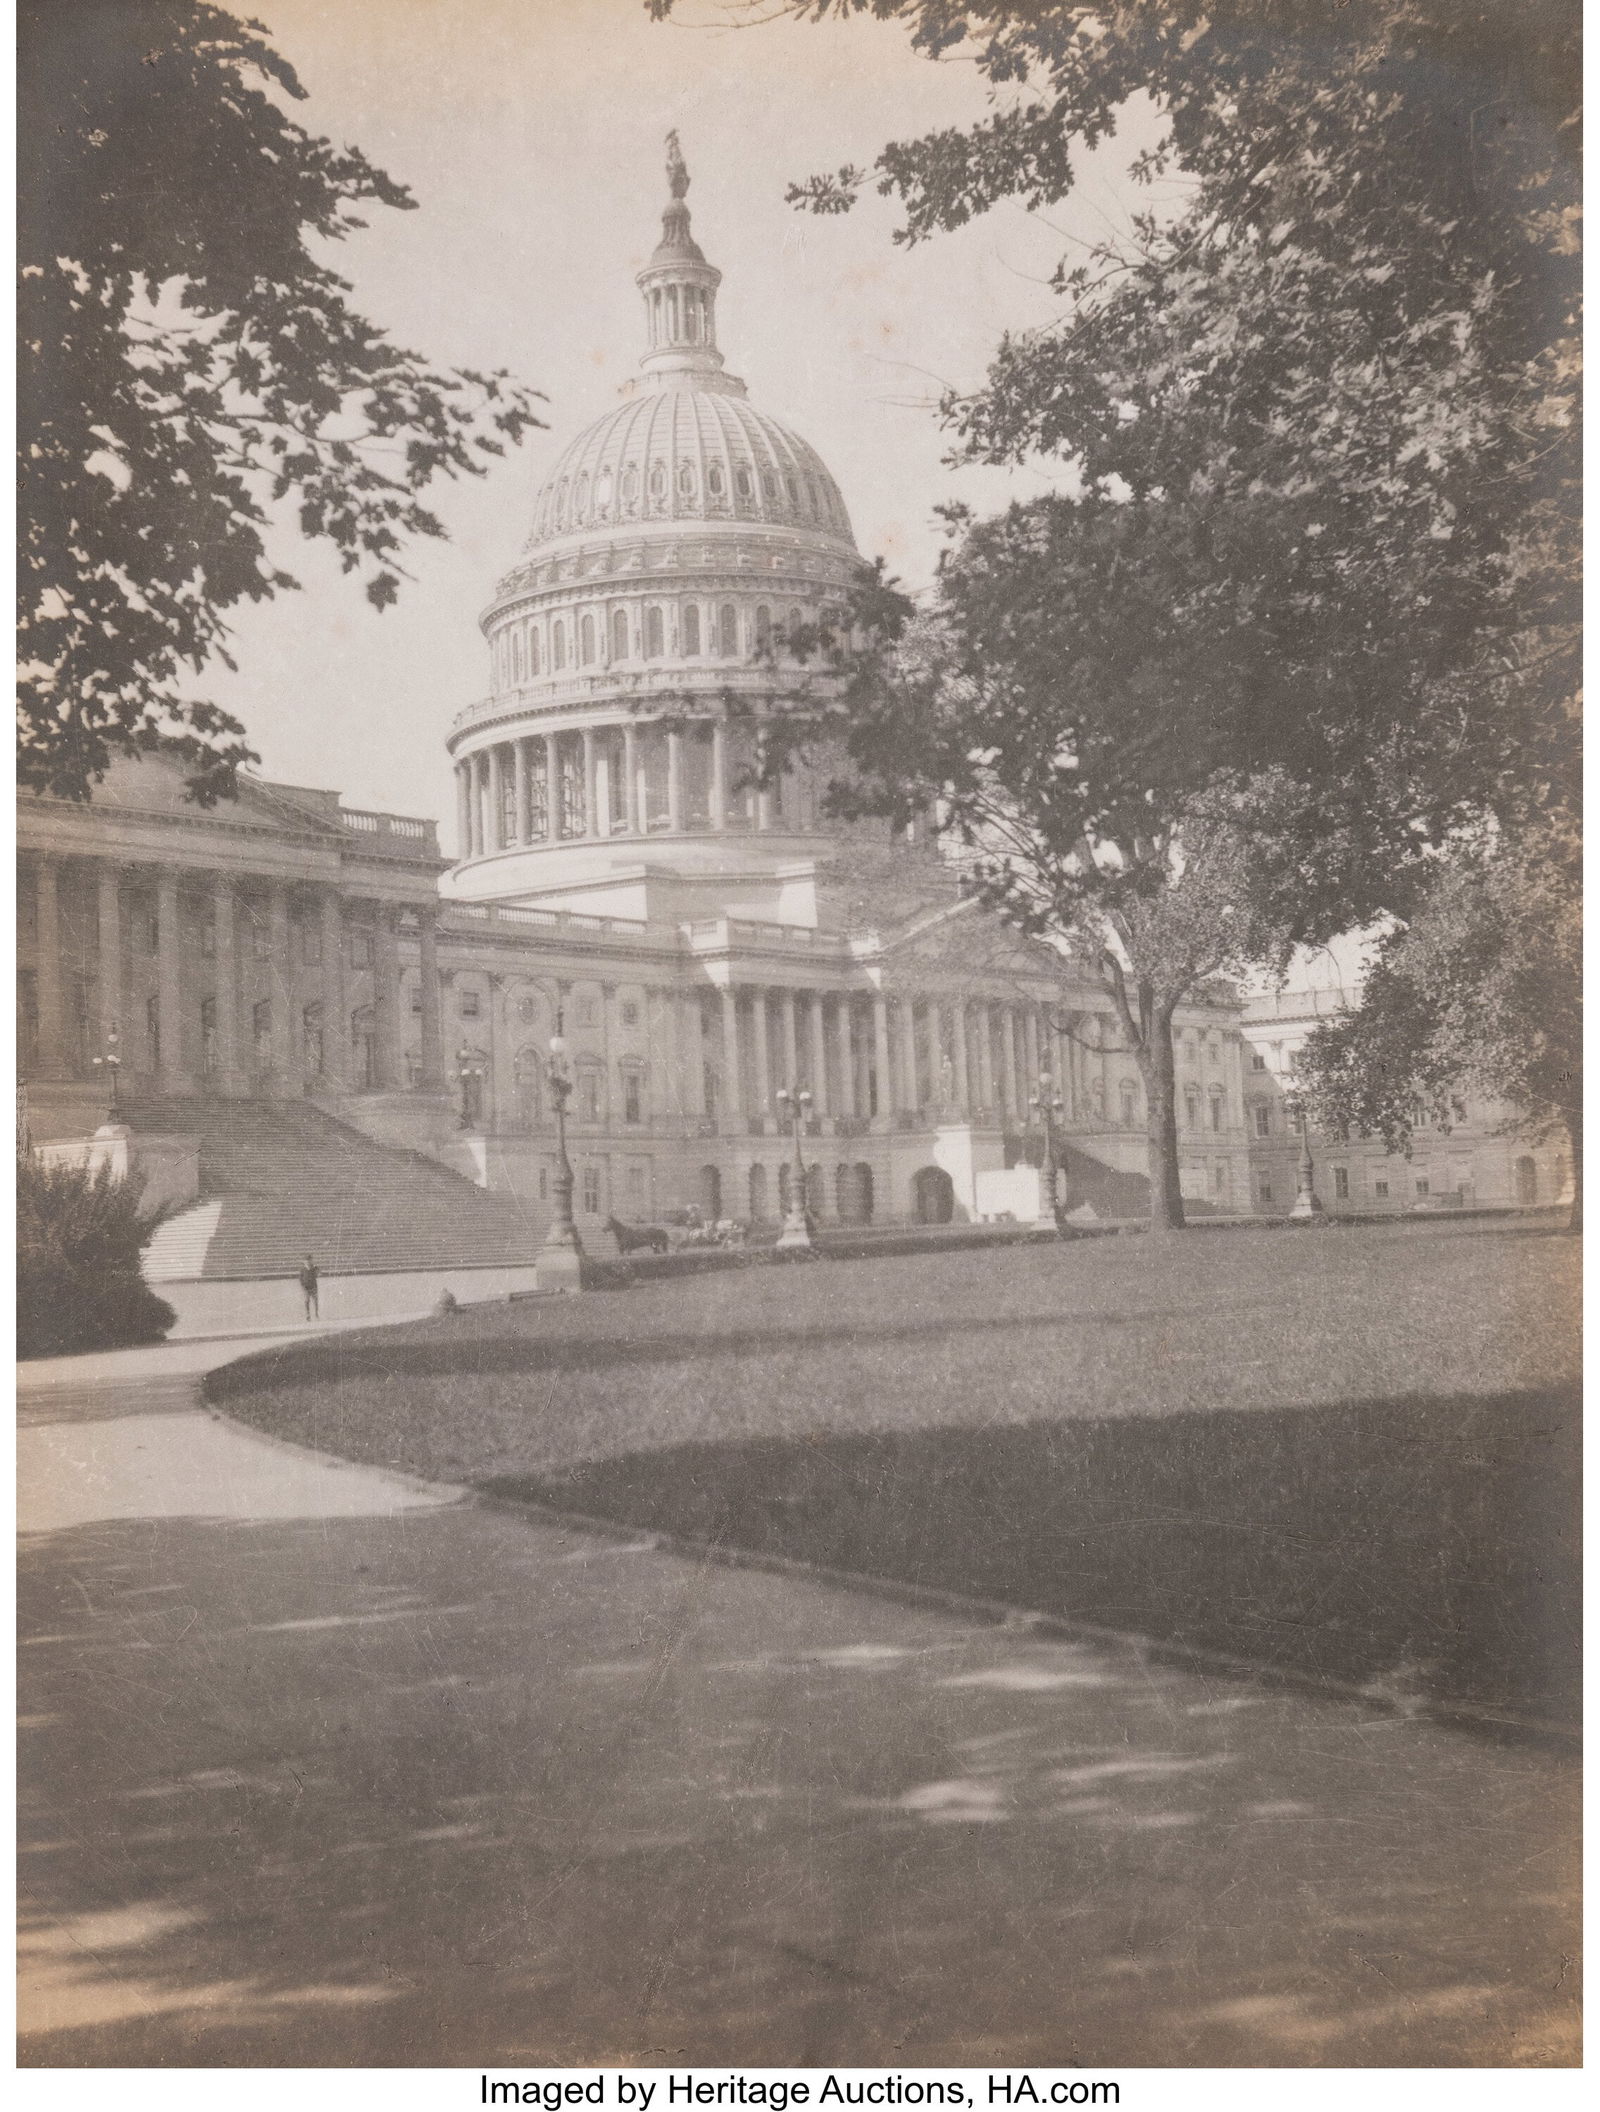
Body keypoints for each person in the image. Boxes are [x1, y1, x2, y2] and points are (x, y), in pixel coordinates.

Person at [299, 1255, 320, 1321]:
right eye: (306, 1261)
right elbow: (300, 1278)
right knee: (307, 1300)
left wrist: (317, 1269)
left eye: (309, 1260)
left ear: (311, 1261)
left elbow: (318, 1274)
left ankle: (316, 1313)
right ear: (304, 1262)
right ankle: (308, 1314)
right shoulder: (302, 1269)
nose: (308, 1262)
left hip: (313, 1286)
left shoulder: (314, 1268)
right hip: (306, 1287)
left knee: (315, 1300)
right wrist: (302, 1286)